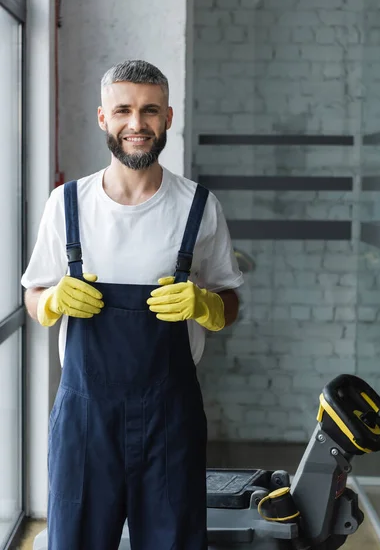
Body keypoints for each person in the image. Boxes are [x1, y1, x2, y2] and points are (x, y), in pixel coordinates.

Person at [22, 59, 243, 550]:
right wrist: (53, 300)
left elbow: (230, 302)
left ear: (168, 117)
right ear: (103, 118)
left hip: (170, 419)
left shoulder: (199, 207)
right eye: (123, 110)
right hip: (84, 420)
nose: (136, 124)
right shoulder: (67, 204)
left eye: (150, 111)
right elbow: (34, 296)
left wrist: (208, 304)